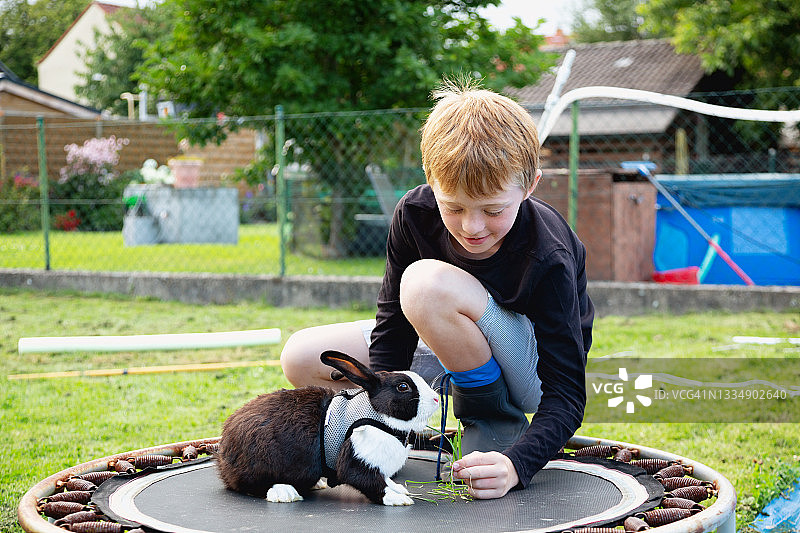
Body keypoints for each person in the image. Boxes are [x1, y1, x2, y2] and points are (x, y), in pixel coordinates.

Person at [280, 78, 594, 499]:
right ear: (431, 178)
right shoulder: (413, 213)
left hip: (529, 368)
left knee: (426, 285)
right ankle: (404, 433)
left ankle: (493, 421)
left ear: (530, 185)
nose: (472, 226)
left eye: (494, 209)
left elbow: (567, 393)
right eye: (455, 207)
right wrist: (377, 423)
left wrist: (518, 464)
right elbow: (392, 327)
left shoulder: (547, 253)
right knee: (301, 357)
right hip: (448, 342)